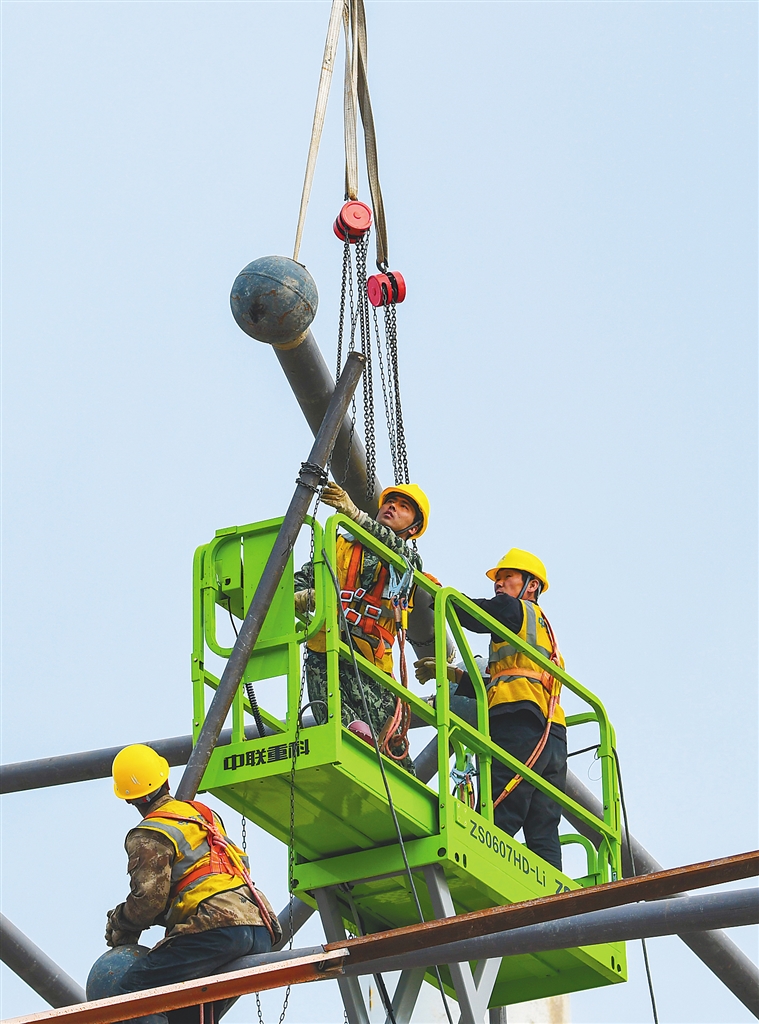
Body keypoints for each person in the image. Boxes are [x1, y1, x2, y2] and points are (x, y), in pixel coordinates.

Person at [106, 743, 281, 1023]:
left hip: (217, 930)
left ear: (130, 800)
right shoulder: (204, 814)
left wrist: (122, 922)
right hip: (258, 927)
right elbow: (200, 881)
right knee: (188, 1013)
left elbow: (148, 902)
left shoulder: (150, 833)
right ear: (166, 780)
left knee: (131, 997)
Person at [415, 549, 567, 870]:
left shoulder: (513, 609)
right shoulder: (541, 630)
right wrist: (454, 675)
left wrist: (439, 595)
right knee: (542, 824)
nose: (499, 583)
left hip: (520, 720)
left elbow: (473, 614)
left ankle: (477, 866)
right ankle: (557, 892)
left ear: (531, 585)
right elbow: (505, 679)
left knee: (500, 804)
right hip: (552, 732)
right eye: (497, 578)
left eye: (507, 577)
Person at [294, 481, 428, 762]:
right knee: (333, 716)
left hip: (371, 661)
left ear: (413, 529)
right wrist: (303, 597)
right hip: (327, 646)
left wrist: (354, 514)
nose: (392, 507)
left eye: (403, 507)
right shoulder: (338, 543)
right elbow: (300, 581)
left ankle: (388, 765)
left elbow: (397, 552)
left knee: (391, 745)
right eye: (389, 502)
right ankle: (354, 740)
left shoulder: (408, 559)